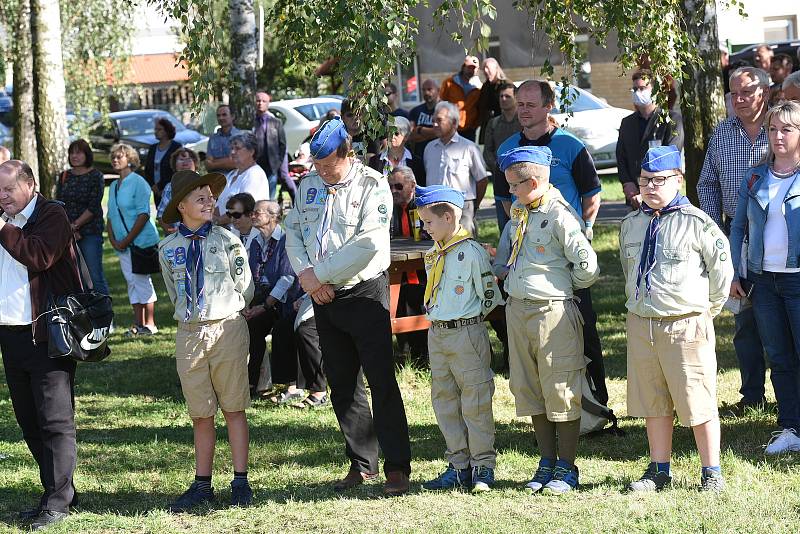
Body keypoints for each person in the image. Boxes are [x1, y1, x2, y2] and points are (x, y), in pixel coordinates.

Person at [284, 117, 412, 496]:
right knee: (341, 383)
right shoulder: (308, 186)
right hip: (323, 296)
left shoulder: (372, 184)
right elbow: (294, 233)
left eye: (328, 165)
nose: (321, 172)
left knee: (381, 381)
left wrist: (318, 274)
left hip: (363, 293)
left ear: (347, 153)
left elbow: (369, 243)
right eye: (317, 165)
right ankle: (361, 462)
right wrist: (309, 277)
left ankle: (397, 466)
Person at [620, 146, 733, 493]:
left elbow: (722, 275)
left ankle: (711, 471)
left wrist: (702, 312)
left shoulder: (697, 223)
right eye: (645, 181)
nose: (651, 187)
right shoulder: (631, 224)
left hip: (686, 323)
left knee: (697, 399)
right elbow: (629, 271)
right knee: (652, 400)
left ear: (678, 180)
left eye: (659, 180)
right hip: (643, 324)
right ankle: (659, 469)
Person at [497, 80, 608, 406]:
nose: (524, 110)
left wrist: (583, 230)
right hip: (528, 257)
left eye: (531, 104)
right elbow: (506, 200)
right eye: (520, 104)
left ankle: (597, 402)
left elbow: (592, 194)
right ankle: (548, 406)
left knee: (583, 328)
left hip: (567, 253)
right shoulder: (506, 149)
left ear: (548, 106)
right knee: (535, 337)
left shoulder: (570, 146)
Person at [497, 146, 599, 495]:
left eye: (515, 184)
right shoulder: (519, 212)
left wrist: (564, 288)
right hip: (519, 308)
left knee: (560, 388)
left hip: (551, 311)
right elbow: (506, 255)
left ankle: (567, 467)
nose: (510, 191)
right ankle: (546, 461)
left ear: (535, 180)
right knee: (529, 388)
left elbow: (588, 266)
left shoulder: (560, 216)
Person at [158, 169, 254, 511]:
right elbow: (174, 292)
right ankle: (203, 484)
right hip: (189, 334)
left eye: (211, 198)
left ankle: (241, 480)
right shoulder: (168, 248)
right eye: (201, 198)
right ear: (181, 205)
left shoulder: (228, 241)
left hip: (226, 328)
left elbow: (245, 286)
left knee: (233, 406)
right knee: (200, 412)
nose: (209, 203)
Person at [0, 160, 83, 530]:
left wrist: (4, 228)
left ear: (29, 185)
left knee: (55, 421)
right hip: (10, 334)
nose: (2, 198)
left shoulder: (52, 215)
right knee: (29, 421)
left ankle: (57, 503)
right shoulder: (5, 217)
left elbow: (39, 256)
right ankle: (60, 490)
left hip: (46, 334)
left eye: (7, 191)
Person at [414, 184, 501, 493]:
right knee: (445, 401)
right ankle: (458, 465)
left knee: (475, 400)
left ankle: (483, 466)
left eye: (429, 222)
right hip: (438, 334)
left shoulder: (472, 252)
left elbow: (490, 296)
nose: (424, 228)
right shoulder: (433, 254)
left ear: (449, 217)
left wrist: (470, 321)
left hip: (466, 333)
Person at [729, 101, 800, 455]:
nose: (778, 136)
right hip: (763, 280)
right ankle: (790, 427)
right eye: (773, 129)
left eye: (787, 129)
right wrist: (734, 272)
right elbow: (738, 226)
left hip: (797, 279)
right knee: (779, 356)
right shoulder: (755, 176)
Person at [697, 66, 769, 412]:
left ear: (763, 94)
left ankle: (791, 396)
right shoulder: (722, 134)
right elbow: (706, 184)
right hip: (736, 238)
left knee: (787, 319)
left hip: (782, 236)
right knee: (745, 322)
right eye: (733, 94)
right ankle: (752, 396)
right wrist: (717, 233)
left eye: (746, 93)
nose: (738, 100)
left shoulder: (784, 129)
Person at [242, 199, 303, 400]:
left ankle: (291, 385)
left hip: (286, 301)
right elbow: (250, 276)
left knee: (281, 330)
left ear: (273, 217)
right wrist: (248, 305)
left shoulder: (286, 240)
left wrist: (265, 305)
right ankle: (252, 383)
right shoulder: (256, 241)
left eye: (257, 213)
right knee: (252, 327)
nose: (252, 216)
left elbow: (287, 278)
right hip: (263, 299)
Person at [106, 143, 160, 337]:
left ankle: (150, 324)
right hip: (122, 245)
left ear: (130, 159)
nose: (115, 159)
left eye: (120, 156)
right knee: (131, 282)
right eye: (113, 157)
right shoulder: (113, 186)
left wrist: (127, 239)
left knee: (142, 281)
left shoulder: (138, 182)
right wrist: (113, 239)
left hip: (140, 242)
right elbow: (111, 216)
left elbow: (144, 214)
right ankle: (137, 323)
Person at [616, 69, 684, 211]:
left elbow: (669, 156)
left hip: (662, 193)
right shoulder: (627, 123)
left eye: (643, 88)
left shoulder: (671, 120)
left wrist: (646, 187)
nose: (638, 92)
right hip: (634, 197)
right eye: (635, 89)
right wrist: (628, 183)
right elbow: (621, 157)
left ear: (655, 91)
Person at [423, 101, 488, 236]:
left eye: (439, 120)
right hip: (434, 208)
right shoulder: (429, 148)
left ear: (453, 123)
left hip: (462, 207)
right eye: (433, 120)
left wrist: (473, 206)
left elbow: (482, 180)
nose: (434, 124)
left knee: (464, 249)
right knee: (438, 251)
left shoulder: (469, 148)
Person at [56, 139, 110, 296]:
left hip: (90, 232)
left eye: (78, 152)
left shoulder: (96, 176)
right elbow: (59, 204)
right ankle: (85, 317)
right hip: (68, 234)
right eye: (72, 152)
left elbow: (93, 206)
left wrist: (75, 226)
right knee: (75, 278)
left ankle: (104, 317)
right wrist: (69, 229)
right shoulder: (64, 176)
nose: (74, 156)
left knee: (94, 277)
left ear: (87, 155)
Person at [388, 167, 428, 360]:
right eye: (391, 187)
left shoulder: (425, 207)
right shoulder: (388, 208)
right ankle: (406, 351)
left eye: (398, 186)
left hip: (424, 272)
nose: (394, 191)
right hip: (399, 271)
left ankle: (422, 353)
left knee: (416, 300)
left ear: (412, 185)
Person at [483, 81, 521, 230]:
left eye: (507, 96)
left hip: (523, 178)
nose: (503, 99)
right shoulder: (493, 123)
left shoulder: (524, 122)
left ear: (516, 98)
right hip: (501, 179)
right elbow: (487, 151)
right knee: (504, 225)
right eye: (501, 96)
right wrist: (500, 169)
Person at [215, 132, 269, 226]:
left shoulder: (254, 174)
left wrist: (217, 222)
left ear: (251, 151)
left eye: (237, 148)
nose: (232, 152)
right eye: (231, 148)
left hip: (244, 235)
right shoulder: (231, 175)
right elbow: (219, 206)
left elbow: (244, 208)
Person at [157, 147, 200, 234]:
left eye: (188, 159)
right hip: (179, 240)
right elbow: (161, 215)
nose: (185, 162)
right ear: (174, 165)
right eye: (181, 159)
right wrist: (171, 233)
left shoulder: (206, 182)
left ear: (195, 163)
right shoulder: (170, 187)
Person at [439, 55, 483, 141]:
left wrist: (475, 124)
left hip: (469, 129)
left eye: (474, 68)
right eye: (469, 67)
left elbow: (480, 108)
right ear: (463, 67)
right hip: (451, 127)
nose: (471, 70)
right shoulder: (449, 83)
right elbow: (442, 103)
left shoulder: (479, 87)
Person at [254, 90, 287, 201]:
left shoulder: (276, 122)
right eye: (258, 101)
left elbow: (282, 144)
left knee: (270, 196)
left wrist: (278, 162)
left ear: (268, 103)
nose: (260, 103)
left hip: (271, 165)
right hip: (255, 164)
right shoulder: (250, 122)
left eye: (264, 101)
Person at [408, 78, 441, 185]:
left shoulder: (444, 109)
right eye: (424, 90)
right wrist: (433, 133)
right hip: (420, 159)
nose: (426, 92)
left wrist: (420, 130)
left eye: (430, 89)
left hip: (439, 158)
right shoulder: (415, 111)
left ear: (438, 90)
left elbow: (443, 132)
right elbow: (410, 135)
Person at [144, 117, 181, 205]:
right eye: (155, 129)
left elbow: (174, 170)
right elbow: (147, 169)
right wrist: (153, 186)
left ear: (167, 130)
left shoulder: (176, 147)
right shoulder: (152, 148)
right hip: (156, 191)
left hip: (171, 189)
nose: (156, 131)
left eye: (159, 129)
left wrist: (161, 186)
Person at [477, 57, 507, 143]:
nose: (485, 71)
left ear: (496, 69)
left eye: (488, 68)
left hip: (503, 126)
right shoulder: (485, 87)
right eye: (484, 69)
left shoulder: (506, 85)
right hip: (488, 127)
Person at [206, 104, 242, 173]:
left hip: (235, 179)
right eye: (218, 115)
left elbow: (236, 162)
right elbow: (208, 164)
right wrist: (228, 161)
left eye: (224, 115)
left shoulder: (240, 136)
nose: (221, 118)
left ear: (232, 116)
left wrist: (214, 163)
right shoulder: (213, 139)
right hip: (216, 180)